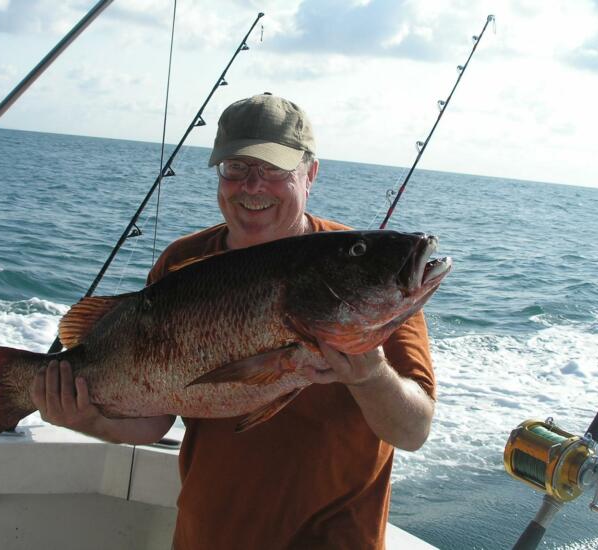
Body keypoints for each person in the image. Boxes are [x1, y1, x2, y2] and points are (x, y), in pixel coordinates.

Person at [31, 93, 436, 549]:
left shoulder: (367, 279)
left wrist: (372, 375)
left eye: (274, 170)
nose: (252, 186)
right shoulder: (183, 261)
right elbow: (153, 417)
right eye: (236, 168)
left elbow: (413, 430)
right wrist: (83, 416)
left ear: (311, 174)